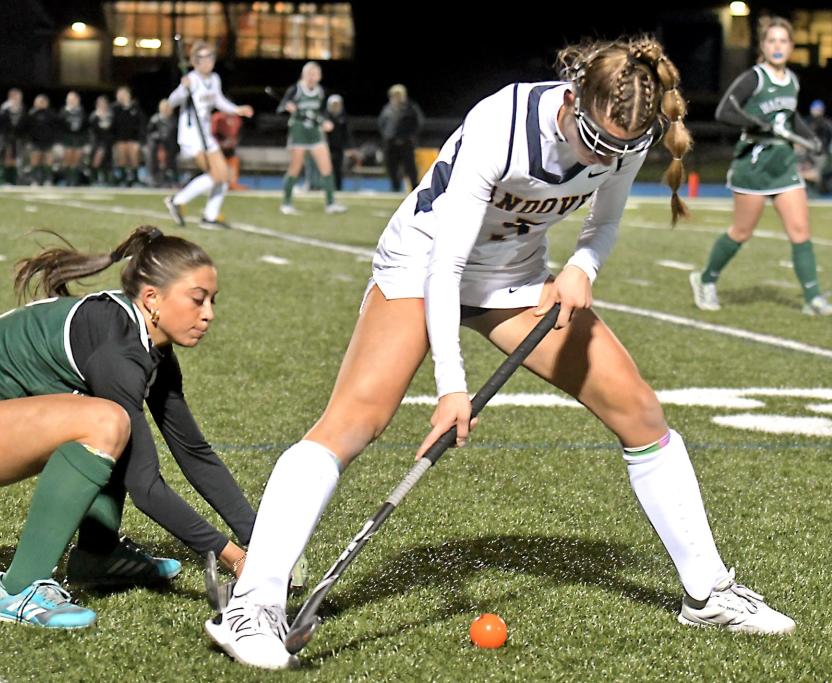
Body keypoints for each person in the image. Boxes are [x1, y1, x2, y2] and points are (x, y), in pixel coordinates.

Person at [204, 36, 796, 670]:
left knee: (639, 410)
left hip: (513, 274)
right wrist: (452, 385)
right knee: (355, 420)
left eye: (622, 149)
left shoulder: (630, 133)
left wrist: (582, 266)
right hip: (424, 262)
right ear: (573, 100)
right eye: (599, 142)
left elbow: (605, 221)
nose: (607, 155)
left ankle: (708, 592)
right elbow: (446, 265)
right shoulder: (501, 123)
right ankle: (253, 603)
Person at [0, 226, 261, 628]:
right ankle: (17, 590)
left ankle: (97, 553)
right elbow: (146, 487)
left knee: (112, 422)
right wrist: (235, 557)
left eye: (212, 300)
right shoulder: (118, 350)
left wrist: (263, 542)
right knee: (107, 421)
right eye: (198, 300)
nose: (209, 313)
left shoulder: (145, 345)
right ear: (152, 298)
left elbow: (193, 452)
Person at [691, 16, 831, 316]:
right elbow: (724, 110)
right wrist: (758, 124)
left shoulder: (792, 81)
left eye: (783, 41)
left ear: (791, 46)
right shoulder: (754, 78)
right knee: (741, 232)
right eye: (771, 41)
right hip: (753, 164)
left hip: (783, 164)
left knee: (800, 231)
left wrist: (811, 140)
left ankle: (813, 298)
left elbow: (791, 120)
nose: (777, 46)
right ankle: (705, 280)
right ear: (763, 46)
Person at [164, 41, 254, 229]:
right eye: (204, 58)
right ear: (195, 61)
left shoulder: (214, 79)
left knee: (224, 175)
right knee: (216, 175)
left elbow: (219, 100)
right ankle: (177, 200)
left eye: (211, 57)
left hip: (205, 134)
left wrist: (237, 110)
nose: (209, 61)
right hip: (191, 135)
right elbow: (172, 101)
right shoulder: (191, 79)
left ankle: (209, 217)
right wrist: (183, 88)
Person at [274, 62, 347, 215]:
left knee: (326, 168)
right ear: (304, 75)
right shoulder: (296, 89)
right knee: (295, 168)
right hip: (299, 132)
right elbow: (280, 107)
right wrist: (288, 107)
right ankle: (286, 203)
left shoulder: (320, 91)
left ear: (319, 76)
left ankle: (330, 203)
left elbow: (321, 112)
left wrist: (325, 121)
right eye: (309, 73)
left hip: (315, 133)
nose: (312, 77)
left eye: (315, 74)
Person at [378, 83, 424, 192]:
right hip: (390, 143)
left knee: (410, 167)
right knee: (391, 167)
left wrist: (410, 136)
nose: (396, 97)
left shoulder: (411, 108)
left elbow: (418, 123)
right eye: (394, 95)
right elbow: (382, 123)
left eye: (399, 95)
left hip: (406, 142)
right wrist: (387, 135)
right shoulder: (387, 109)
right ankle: (395, 188)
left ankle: (414, 188)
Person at [112, 86, 146, 186]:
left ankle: (135, 177)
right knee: (122, 148)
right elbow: (113, 126)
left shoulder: (136, 108)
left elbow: (142, 124)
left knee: (133, 148)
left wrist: (140, 140)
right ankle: (123, 177)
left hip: (134, 138)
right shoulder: (115, 109)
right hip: (120, 139)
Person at [27, 94, 58, 186]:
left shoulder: (51, 114)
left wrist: (54, 140)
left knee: (48, 159)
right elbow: (27, 128)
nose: (41, 104)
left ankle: (48, 179)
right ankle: (34, 180)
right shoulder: (32, 113)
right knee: (35, 159)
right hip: (35, 141)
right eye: (39, 102)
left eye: (43, 102)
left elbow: (55, 128)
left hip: (48, 141)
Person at [147, 98, 178, 187]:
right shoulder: (155, 119)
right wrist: (158, 136)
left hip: (171, 145)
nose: (166, 110)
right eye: (164, 108)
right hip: (157, 145)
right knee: (153, 149)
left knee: (170, 148)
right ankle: (155, 176)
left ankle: (169, 175)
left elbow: (175, 135)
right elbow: (149, 133)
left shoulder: (174, 120)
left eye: (167, 107)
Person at [325, 93, 353, 191]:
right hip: (325, 148)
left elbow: (347, 134)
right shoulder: (324, 117)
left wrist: (349, 148)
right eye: (333, 104)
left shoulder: (344, 118)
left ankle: (338, 188)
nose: (335, 106)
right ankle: (325, 188)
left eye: (337, 104)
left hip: (339, 148)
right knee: (325, 169)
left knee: (338, 169)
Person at [211, 110, 245, 190]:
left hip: (229, 148)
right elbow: (212, 133)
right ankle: (216, 182)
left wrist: (234, 141)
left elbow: (238, 133)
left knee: (234, 161)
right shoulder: (217, 118)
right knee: (218, 164)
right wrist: (220, 143)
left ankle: (232, 183)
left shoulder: (236, 118)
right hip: (217, 148)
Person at [0, 88, 26, 185]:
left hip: (16, 137)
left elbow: (23, 123)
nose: (18, 99)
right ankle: (5, 179)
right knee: (6, 156)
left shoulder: (21, 108)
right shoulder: (4, 108)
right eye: (16, 97)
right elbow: (1, 122)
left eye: (19, 97)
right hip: (6, 136)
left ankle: (13, 179)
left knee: (14, 157)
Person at [60, 91, 88, 186]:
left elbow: (85, 126)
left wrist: (85, 140)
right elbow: (60, 126)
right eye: (69, 99)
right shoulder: (64, 111)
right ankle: (66, 179)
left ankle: (74, 180)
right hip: (67, 137)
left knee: (76, 159)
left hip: (78, 137)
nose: (71, 101)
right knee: (67, 157)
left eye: (73, 99)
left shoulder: (82, 111)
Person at [89, 94, 115, 185]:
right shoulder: (94, 116)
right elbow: (92, 130)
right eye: (100, 103)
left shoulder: (111, 115)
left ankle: (107, 179)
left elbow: (114, 129)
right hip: (97, 141)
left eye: (104, 103)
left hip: (109, 141)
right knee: (97, 156)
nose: (102, 105)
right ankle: (94, 179)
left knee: (108, 159)